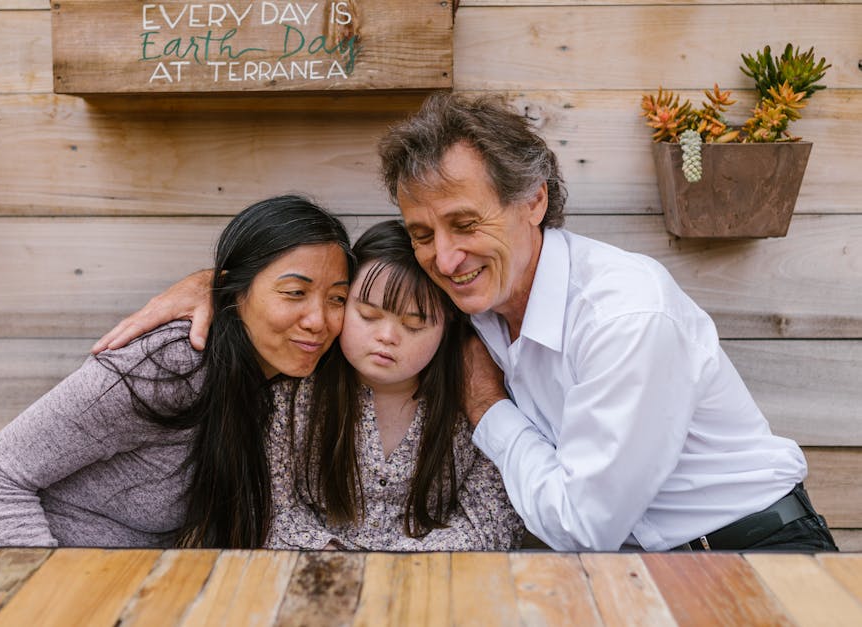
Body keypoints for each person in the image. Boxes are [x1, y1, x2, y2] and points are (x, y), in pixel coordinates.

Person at [92, 93, 837, 553]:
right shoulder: (468, 300)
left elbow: (583, 525)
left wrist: (487, 406)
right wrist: (216, 286)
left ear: (534, 200)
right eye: (423, 233)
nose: (444, 258)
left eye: (465, 222)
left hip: (749, 550)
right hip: (638, 561)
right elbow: (349, 291)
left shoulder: (623, 317)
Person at [0, 195, 354, 548]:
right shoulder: (171, 364)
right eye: (294, 293)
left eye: (337, 298)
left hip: (117, 578)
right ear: (233, 293)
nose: (318, 320)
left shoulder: (277, 380)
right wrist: (44, 586)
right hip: (3, 563)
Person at [267, 220, 524, 551]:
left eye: (414, 324)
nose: (387, 337)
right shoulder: (295, 391)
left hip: (434, 575)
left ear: (448, 326)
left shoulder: (471, 400)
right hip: (316, 572)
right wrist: (332, 556)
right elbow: (272, 505)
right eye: (368, 315)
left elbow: (492, 517)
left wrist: (404, 564)